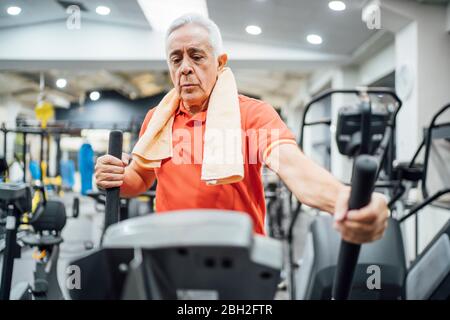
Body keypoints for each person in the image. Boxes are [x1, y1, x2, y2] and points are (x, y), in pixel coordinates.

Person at [95, 14, 388, 244]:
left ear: (220, 62)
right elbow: (140, 179)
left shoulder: (251, 114)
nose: (185, 67)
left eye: (196, 56)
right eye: (176, 59)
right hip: (170, 254)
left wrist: (346, 200)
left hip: (238, 256)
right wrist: (118, 176)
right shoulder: (157, 119)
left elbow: (292, 165)